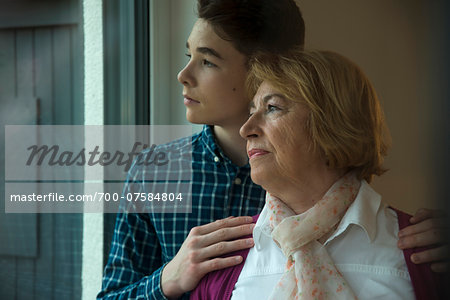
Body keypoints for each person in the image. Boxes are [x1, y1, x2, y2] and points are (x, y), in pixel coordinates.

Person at [98, 1, 447, 299]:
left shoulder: (388, 237)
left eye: (207, 61)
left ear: (267, 68)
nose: (183, 75)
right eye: (189, 55)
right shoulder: (153, 173)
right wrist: (166, 280)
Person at [191, 49, 444, 300]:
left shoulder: (428, 255)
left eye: (272, 108)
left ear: (333, 122)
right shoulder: (222, 262)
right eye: (251, 111)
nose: (246, 129)